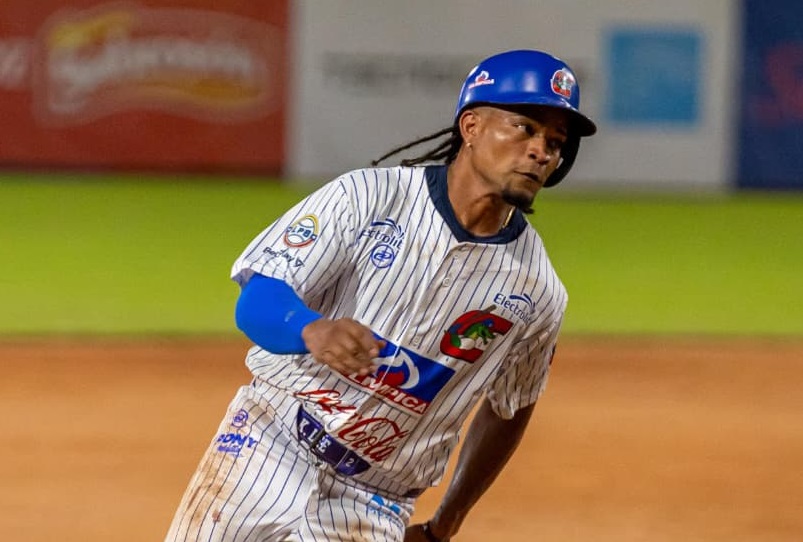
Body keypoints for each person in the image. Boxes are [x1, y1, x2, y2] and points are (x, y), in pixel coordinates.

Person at [165, 48, 596, 542]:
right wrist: (309, 328)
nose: (542, 150)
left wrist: (444, 525)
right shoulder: (368, 197)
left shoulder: (537, 291)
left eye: (556, 141)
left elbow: (510, 408)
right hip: (265, 444)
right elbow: (258, 297)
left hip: (374, 503)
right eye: (525, 127)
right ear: (471, 126)